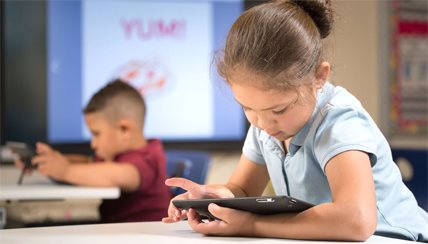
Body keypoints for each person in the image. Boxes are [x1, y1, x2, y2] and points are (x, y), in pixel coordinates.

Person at [162, 0, 428, 242]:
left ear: (319, 77)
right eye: (247, 107)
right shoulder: (265, 123)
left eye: (279, 109)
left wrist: (253, 226)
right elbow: (242, 188)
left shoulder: (339, 123)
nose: (264, 123)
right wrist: (212, 199)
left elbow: (356, 221)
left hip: (392, 239)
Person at [16, 79, 171, 223]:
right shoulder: (119, 156)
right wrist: (50, 161)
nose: (93, 144)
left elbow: (118, 175)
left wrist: (65, 170)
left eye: (96, 134)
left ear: (124, 129)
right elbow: (88, 162)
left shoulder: (147, 159)